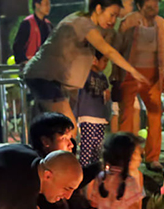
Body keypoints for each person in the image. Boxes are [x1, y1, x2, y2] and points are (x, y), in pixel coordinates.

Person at [23, 0, 148, 132]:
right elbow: (108, 51)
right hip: (45, 77)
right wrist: (134, 72)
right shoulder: (83, 23)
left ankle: (45, 150)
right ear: (99, 9)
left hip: (57, 81)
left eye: (116, 16)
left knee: (54, 128)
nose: (113, 20)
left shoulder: (94, 27)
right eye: (112, 14)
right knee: (67, 128)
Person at [117, 0, 164, 172]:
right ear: (140, 6)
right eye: (149, 6)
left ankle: (152, 157)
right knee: (126, 114)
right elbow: (119, 47)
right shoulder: (129, 21)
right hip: (130, 73)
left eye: (155, 5)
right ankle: (123, 156)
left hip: (153, 75)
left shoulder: (161, 24)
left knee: (155, 114)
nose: (153, 9)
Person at [74, 51, 110, 166]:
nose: (105, 64)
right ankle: (83, 170)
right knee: (87, 145)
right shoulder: (85, 74)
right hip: (87, 114)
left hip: (100, 115)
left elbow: (107, 95)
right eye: (104, 61)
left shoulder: (103, 77)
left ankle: (94, 169)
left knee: (97, 146)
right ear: (95, 60)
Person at [12, 0, 53, 65]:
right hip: (30, 65)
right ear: (37, 5)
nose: (49, 7)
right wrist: (24, 61)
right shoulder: (27, 23)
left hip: (45, 66)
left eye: (49, 4)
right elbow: (18, 47)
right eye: (46, 4)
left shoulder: (48, 25)